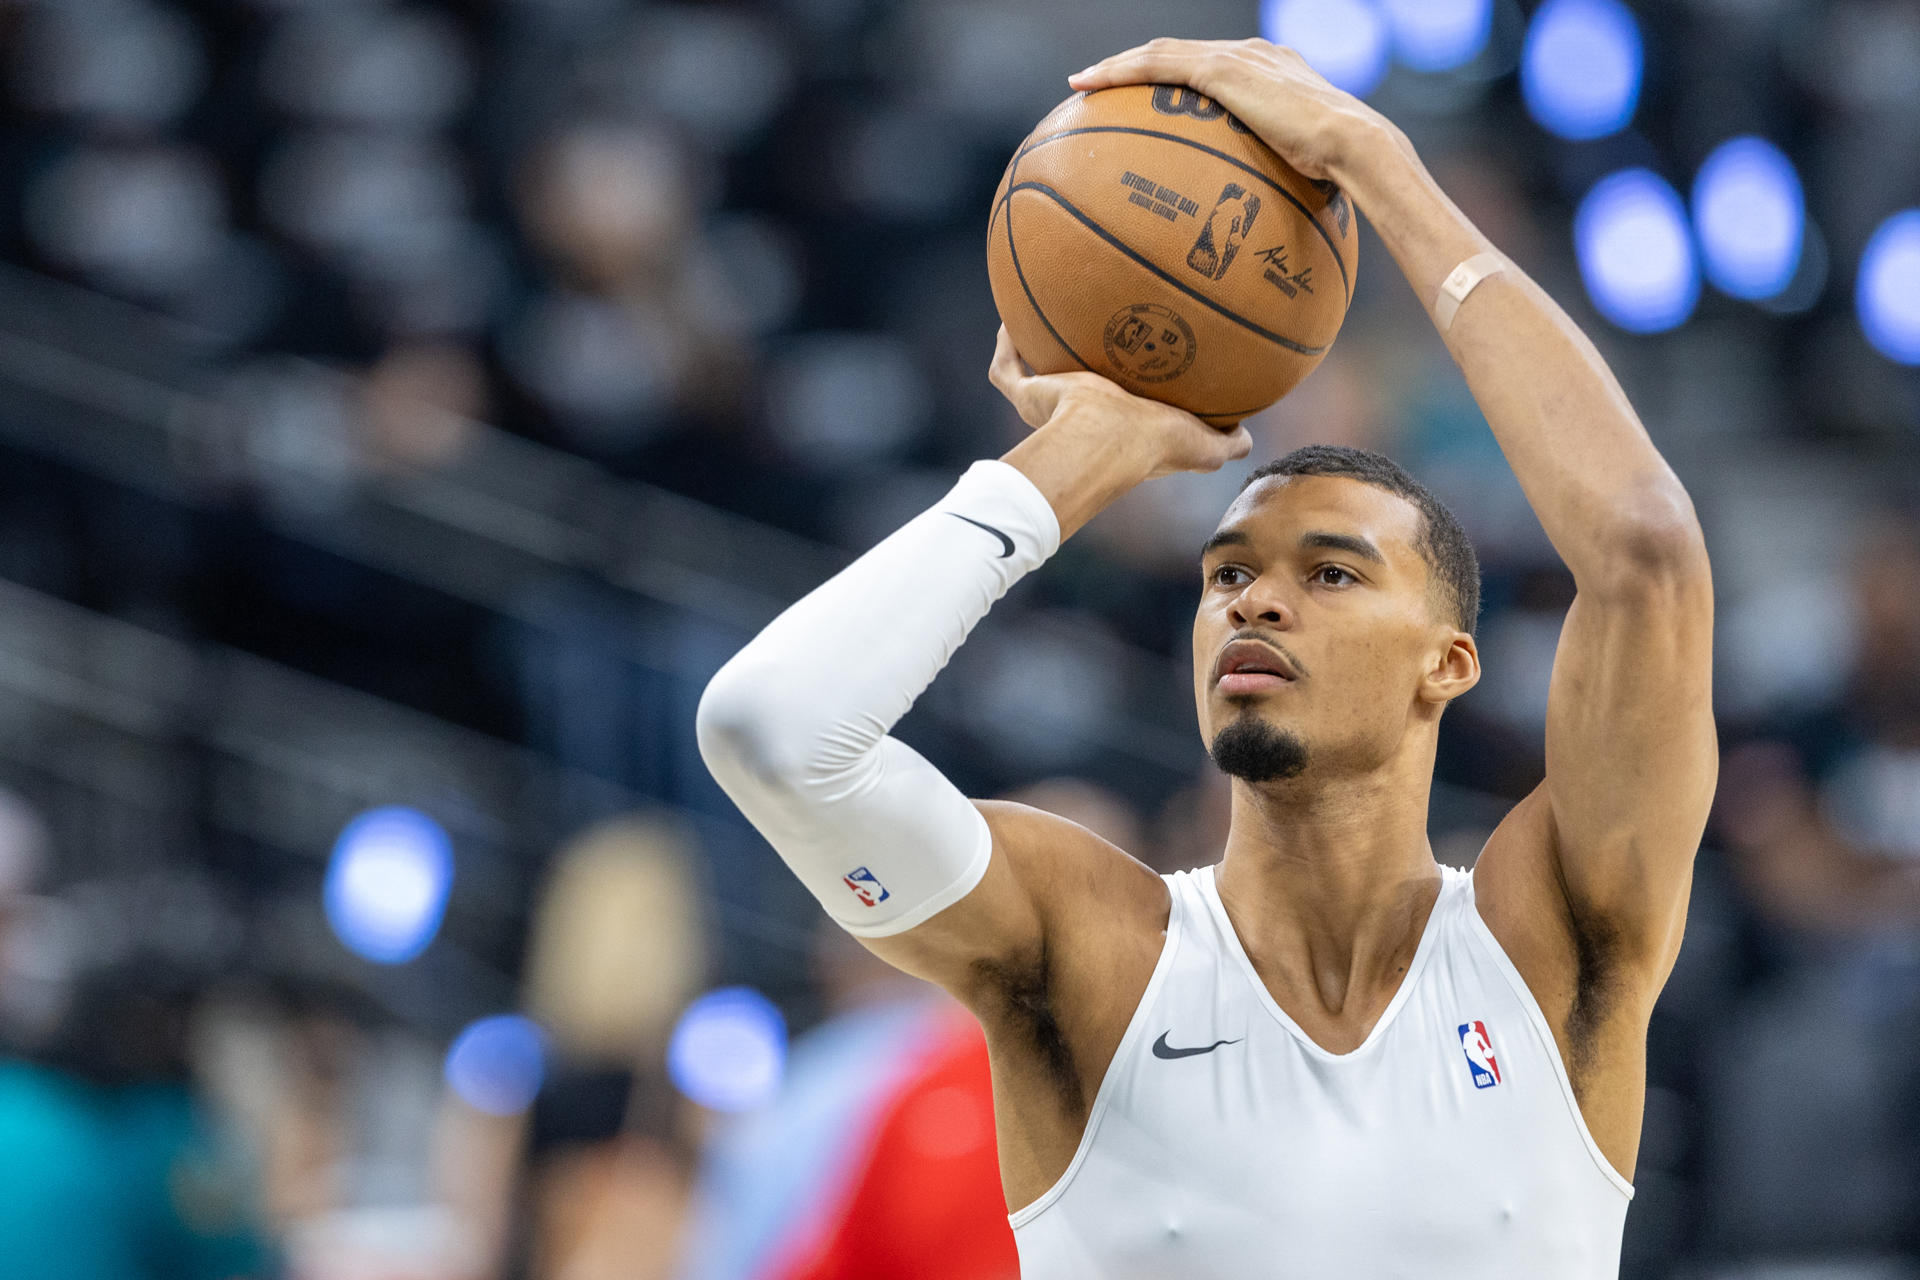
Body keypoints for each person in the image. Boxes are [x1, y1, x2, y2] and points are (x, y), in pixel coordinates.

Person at [697, 39, 1716, 1279]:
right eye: (1227, 573)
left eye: (1330, 572)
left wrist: (1377, 163)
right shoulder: (1089, 948)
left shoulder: (1549, 938)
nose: (1255, 603)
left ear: (1449, 662)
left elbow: (1646, 553)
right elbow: (769, 730)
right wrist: (1082, 456)